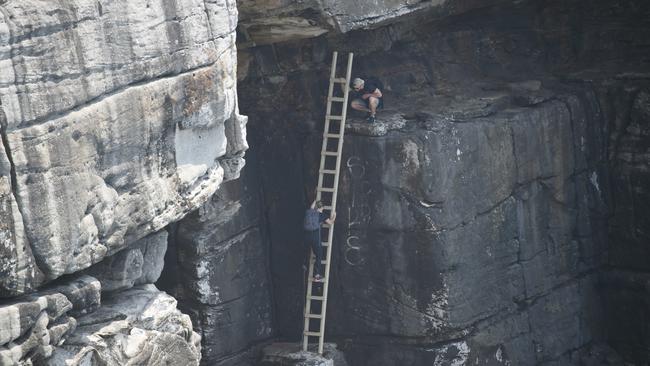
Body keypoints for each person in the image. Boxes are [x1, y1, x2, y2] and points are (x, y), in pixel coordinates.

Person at [303, 200, 336, 282]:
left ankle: (304, 265)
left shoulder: (309, 212)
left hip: (306, 236)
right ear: (322, 208)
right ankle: (317, 275)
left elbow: (312, 206)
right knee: (319, 254)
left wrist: (315, 200)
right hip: (315, 237)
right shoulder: (321, 215)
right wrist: (334, 215)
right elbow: (330, 223)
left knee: (308, 251)